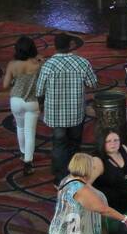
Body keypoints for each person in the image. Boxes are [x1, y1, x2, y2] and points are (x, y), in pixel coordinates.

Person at [36, 33, 98, 183]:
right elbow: (93, 83)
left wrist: (41, 106)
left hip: (55, 115)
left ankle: (60, 178)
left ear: (55, 46)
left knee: (59, 145)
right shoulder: (82, 62)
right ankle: (75, 174)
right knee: (75, 144)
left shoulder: (48, 65)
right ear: (70, 45)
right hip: (76, 112)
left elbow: (39, 91)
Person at [2, 35, 43, 175]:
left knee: (20, 127)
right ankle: (28, 162)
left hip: (15, 101)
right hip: (32, 102)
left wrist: (15, 81)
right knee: (30, 132)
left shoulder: (12, 65)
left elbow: (5, 85)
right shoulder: (38, 65)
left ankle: (23, 152)